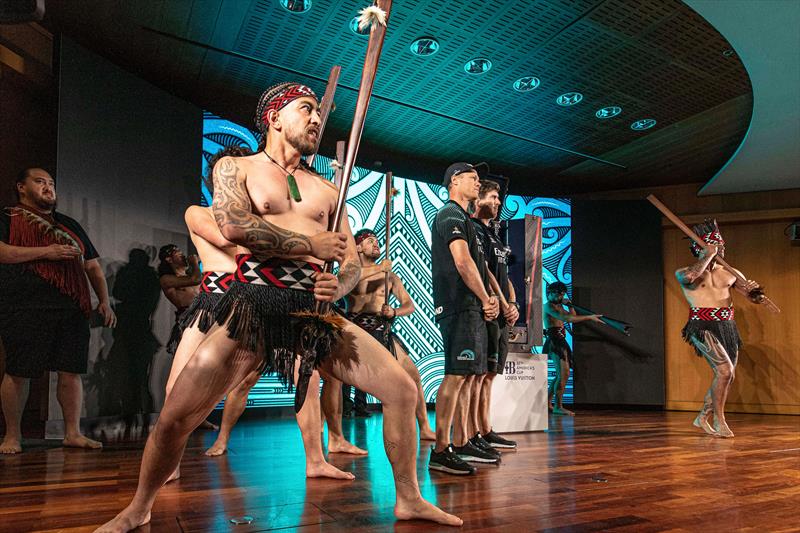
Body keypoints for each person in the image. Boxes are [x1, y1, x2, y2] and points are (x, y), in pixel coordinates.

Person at [95, 82, 461, 532]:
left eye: (319, 115)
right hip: (251, 305)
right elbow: (232, 225)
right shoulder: (236, 168)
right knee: (175, 415)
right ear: (274, 116)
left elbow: (348, 262)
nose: (315, 120)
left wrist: (340, 283)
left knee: (404, 391)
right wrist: (309, 243)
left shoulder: (328, 191)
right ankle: (140, 506)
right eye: (306, 110)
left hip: (313, 311)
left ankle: (408, 498)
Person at [0, 168, 115, 454]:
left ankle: (72, 433)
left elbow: (92, 266)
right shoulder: (7, 217)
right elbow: (3, 252)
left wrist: (104, 300)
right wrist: (45, 252)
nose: (48, 187)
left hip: (72, 307)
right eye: (40, 182)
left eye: (51, 183)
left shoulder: (68, 224)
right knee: (18, 371)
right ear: (21, 187)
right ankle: (12, 435)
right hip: (25, 305)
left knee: (71, 371)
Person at [429, 162, 500, 476]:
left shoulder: (465, 219)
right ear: (454, 181)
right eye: (473, 178)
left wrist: (490, 299)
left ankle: (462, 440)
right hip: (459, 306)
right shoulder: (450, 215)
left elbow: (477, 266)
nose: (478, 183)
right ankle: (440, 449)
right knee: (457, 375)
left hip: (471, 307)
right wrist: (486, 298)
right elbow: (461, 261)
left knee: (470, 375)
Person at [341, 228, 436, 440]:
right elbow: (349, 292)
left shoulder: (389, 275)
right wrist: (373, 274)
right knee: (336, 381)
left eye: (377, 241)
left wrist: (393, 311)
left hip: (381, 328)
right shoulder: (349, 271)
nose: (376, 244)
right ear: (357, 247)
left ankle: (425, 428)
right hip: (354, 331)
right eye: (370, 241)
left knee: (413, 376)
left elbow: (409, 306)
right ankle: (331, 433)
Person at [676, 219, 763, 438]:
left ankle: (702, 416)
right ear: (701, 248)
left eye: (722, 247)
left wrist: (755, 291)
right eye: (716, 246)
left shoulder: (730, 272)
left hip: (728, 326)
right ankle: (719, 419)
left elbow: (754, 298)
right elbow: (690, 278)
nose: (721, 250)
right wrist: (707, 256)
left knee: (727, 375)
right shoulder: (685, 272)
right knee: (725, 371)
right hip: (702, 326)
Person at [470, 180, 519, 449]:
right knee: (479, 376)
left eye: (498, 197)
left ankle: (485, 429)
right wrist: (499, 301)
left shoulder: (495, 236)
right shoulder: (475, 230)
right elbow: (485, 273)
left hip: (502, 313)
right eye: (492, 196)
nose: (498, 202)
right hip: (486, 313)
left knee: (490, 376)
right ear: (477, 200)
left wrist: (513, 303)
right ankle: (474, 431)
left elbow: (504, 276)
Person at [542, 281, 603, 416]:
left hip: (560, 340)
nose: (560, 297)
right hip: (554, 341)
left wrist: (570, 306)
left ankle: (546, 402)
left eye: (562, 295)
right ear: (550, 293)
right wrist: (589, 317)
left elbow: (572, 315)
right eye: (558, 294)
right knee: (563, 374)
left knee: (561, 374)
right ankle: (558, 406)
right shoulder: (548, 307)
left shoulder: (558, 306)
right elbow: (568, 319)